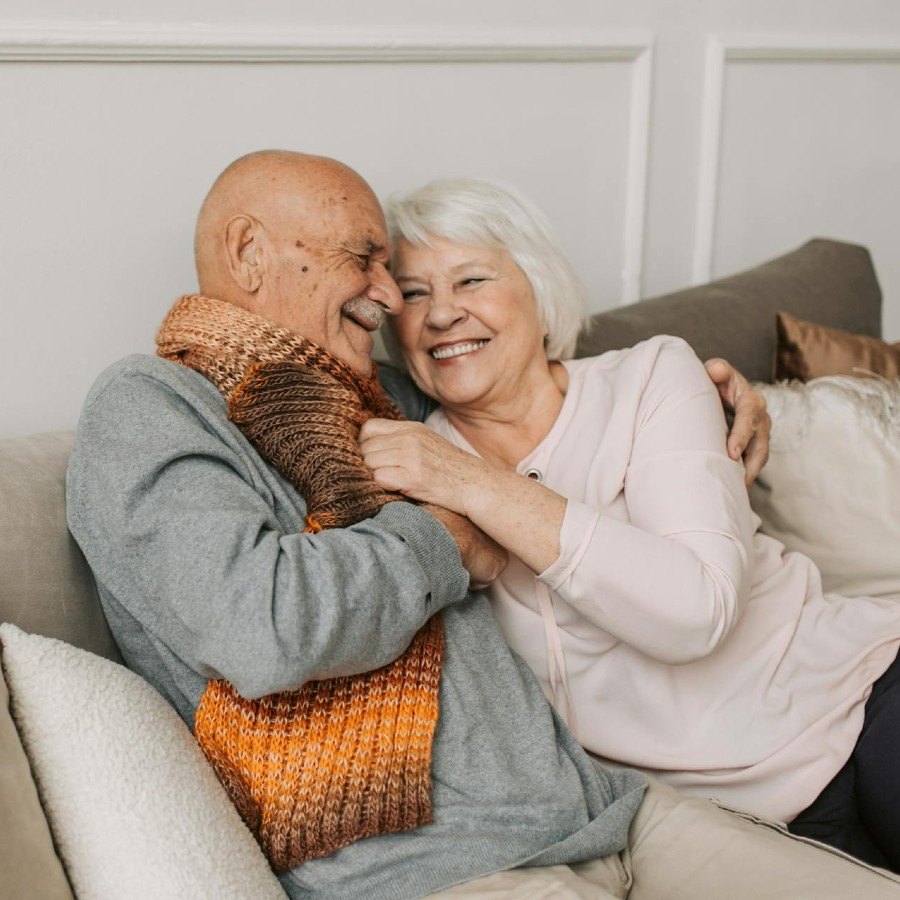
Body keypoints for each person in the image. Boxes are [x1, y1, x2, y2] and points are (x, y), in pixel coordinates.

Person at [66, 151, 900, 899]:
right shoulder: (155, 406)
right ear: (249, 254)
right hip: (450, 865)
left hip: (620, 809)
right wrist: (451, 542)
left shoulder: (391, 403)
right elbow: (262, 626)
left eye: (451, 279)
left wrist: (740, 398)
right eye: (372, 263)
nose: (397, 300)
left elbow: (532, 382)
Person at [358, 175, 900, 875]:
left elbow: (694, 611)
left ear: (538, 289)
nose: (442, 315)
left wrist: (476, 484)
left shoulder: (651, 378)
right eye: (415, 293)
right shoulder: (408, 463)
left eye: (471, 279)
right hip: (738, 824)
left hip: (860, 698)